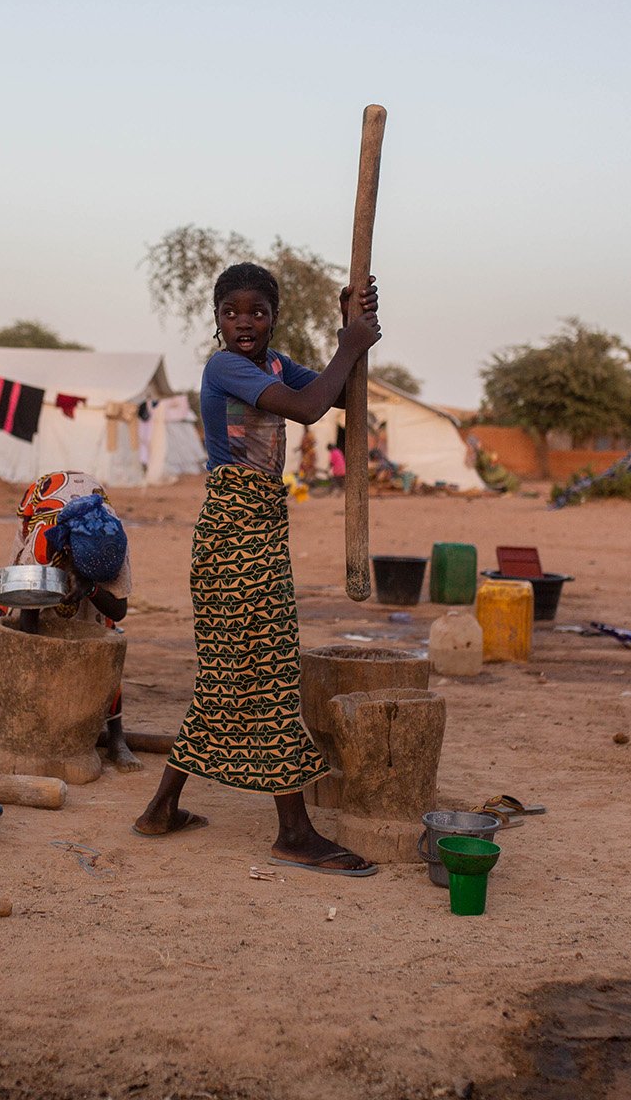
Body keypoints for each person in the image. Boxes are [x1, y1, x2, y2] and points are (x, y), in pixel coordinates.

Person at [132, 261, 382, 875]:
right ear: (215, 320)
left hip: (260, 528)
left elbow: (332, 391)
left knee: (226, 676)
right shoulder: (224, 367)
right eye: (231, 312)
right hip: (233, 532)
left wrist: (346, 327)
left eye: (258, 312)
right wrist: (350, 342)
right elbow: (304, 408)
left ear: (274, 318)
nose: (244, 322)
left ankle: (161, 811)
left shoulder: (274, 364)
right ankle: (293, 832)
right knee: (267, 671)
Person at [0, 471, 140, 772]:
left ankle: (116, 738)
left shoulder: (113, 541)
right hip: (43, 514)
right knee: (7, 628)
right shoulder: (42, 542)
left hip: (88, 541)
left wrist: (89, 588)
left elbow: (118, 610)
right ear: (69, 550)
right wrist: (35, 684)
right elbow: (27, 614)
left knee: (103, 631)